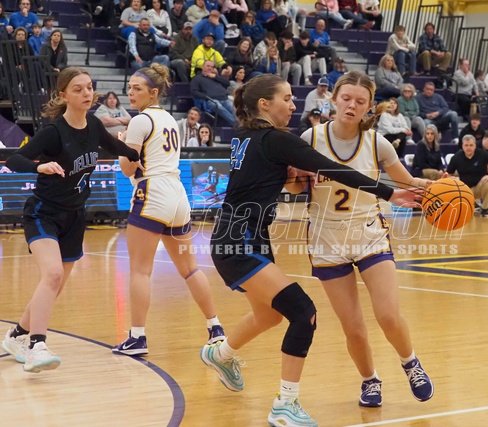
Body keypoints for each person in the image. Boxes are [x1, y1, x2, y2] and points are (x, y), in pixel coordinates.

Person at [200, 73, 420, 426]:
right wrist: (389, 193)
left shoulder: (245, 135)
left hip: (248, 237)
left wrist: (297, 174)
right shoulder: (276, 139)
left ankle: (220, 353)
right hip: (238, 240)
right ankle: (285, 404)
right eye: (286, 99)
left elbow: (279, 176)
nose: (293, 105)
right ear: (264, 105)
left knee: (269, 316)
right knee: (304, 312)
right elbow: (334, 168)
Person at [298, 70, 434, 409]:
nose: (351, 105)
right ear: (333, 99)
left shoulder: (377, 143)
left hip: (368, 233)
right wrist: (297, 179)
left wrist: (435, 187)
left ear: (369, 106)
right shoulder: (310, 139)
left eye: (360, 101)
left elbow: (406, 181)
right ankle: (369, 379)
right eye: (346, 98)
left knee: (388, 315)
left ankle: (410, 363)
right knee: (354, 327)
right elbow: (291, 184)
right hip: (326, 239)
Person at [2, 67, 140, 372]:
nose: (86, 93)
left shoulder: (94, 125)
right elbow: (14, 159)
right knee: (52, 275)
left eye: (89, 87)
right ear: (63, 95)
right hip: (44, 213)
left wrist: (136, 155)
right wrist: (39, 167)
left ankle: (16, 335)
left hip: (75, 216)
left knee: (55, 284)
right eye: (78, 89)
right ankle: (37, 345)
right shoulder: (53, 131)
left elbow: (115, 146)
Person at [112, 64, 227, 356]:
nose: (131, 92)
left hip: (152, 191)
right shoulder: (171, 120)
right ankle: (215, 327)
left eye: (137, 88)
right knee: (190, 269)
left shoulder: (139, 121)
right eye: (130, 87)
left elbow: (127, 168)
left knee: (140, 270)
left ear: (153, 92)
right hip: (177, 195)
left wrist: (121, 145)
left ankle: (137, 337)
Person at [447, 134, 488, 217]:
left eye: (471, 145)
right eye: (466, 145)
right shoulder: (456, 157)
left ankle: (485, 208)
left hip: (479, 187)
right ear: (462, 146)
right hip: (464, 190)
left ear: (475, 145)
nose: (468, 148)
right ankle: (471, 205)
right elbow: (448, 174)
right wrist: (452, 179)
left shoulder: (482, 154)